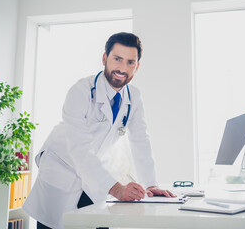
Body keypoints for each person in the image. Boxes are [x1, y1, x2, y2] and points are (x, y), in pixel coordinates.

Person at [23, 32, 176, 229]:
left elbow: (141, 141)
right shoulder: (81, 91)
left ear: (137, 67)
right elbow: (79, 148)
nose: (122, 68)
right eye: (117, 59)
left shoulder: (134, 97)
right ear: (105, 58)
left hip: (91, 173)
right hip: (61, 166)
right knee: (54, 224)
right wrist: (116, 188)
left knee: (93, 222)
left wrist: (151, 185)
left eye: (130, 62)